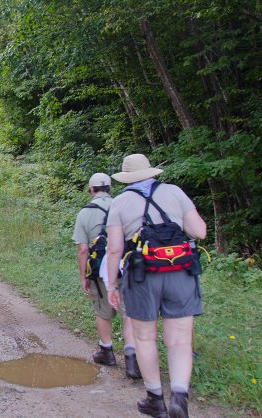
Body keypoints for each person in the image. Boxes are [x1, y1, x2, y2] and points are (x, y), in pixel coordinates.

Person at [106, 154, 207, 418]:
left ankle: (155, 400)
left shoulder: (120, 202)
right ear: (151, 173)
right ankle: (179, 399)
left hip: (141, 275)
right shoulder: (175, 192)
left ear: (126, 178)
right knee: (180, 340)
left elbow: (115, 249)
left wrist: (111, 286)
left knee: (144, 338)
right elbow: (200, 231)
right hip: (181, 272)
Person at [72, 173, 140, 379]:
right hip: (127, 264)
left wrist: (84, 275)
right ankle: (131, 357)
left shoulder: (84, 213)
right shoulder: (123, 205)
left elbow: (83, 250)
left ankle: (107, 350)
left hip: (101, 265)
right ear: (110, 188)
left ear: (91, 189)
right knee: (129, 311)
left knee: (103, 310)